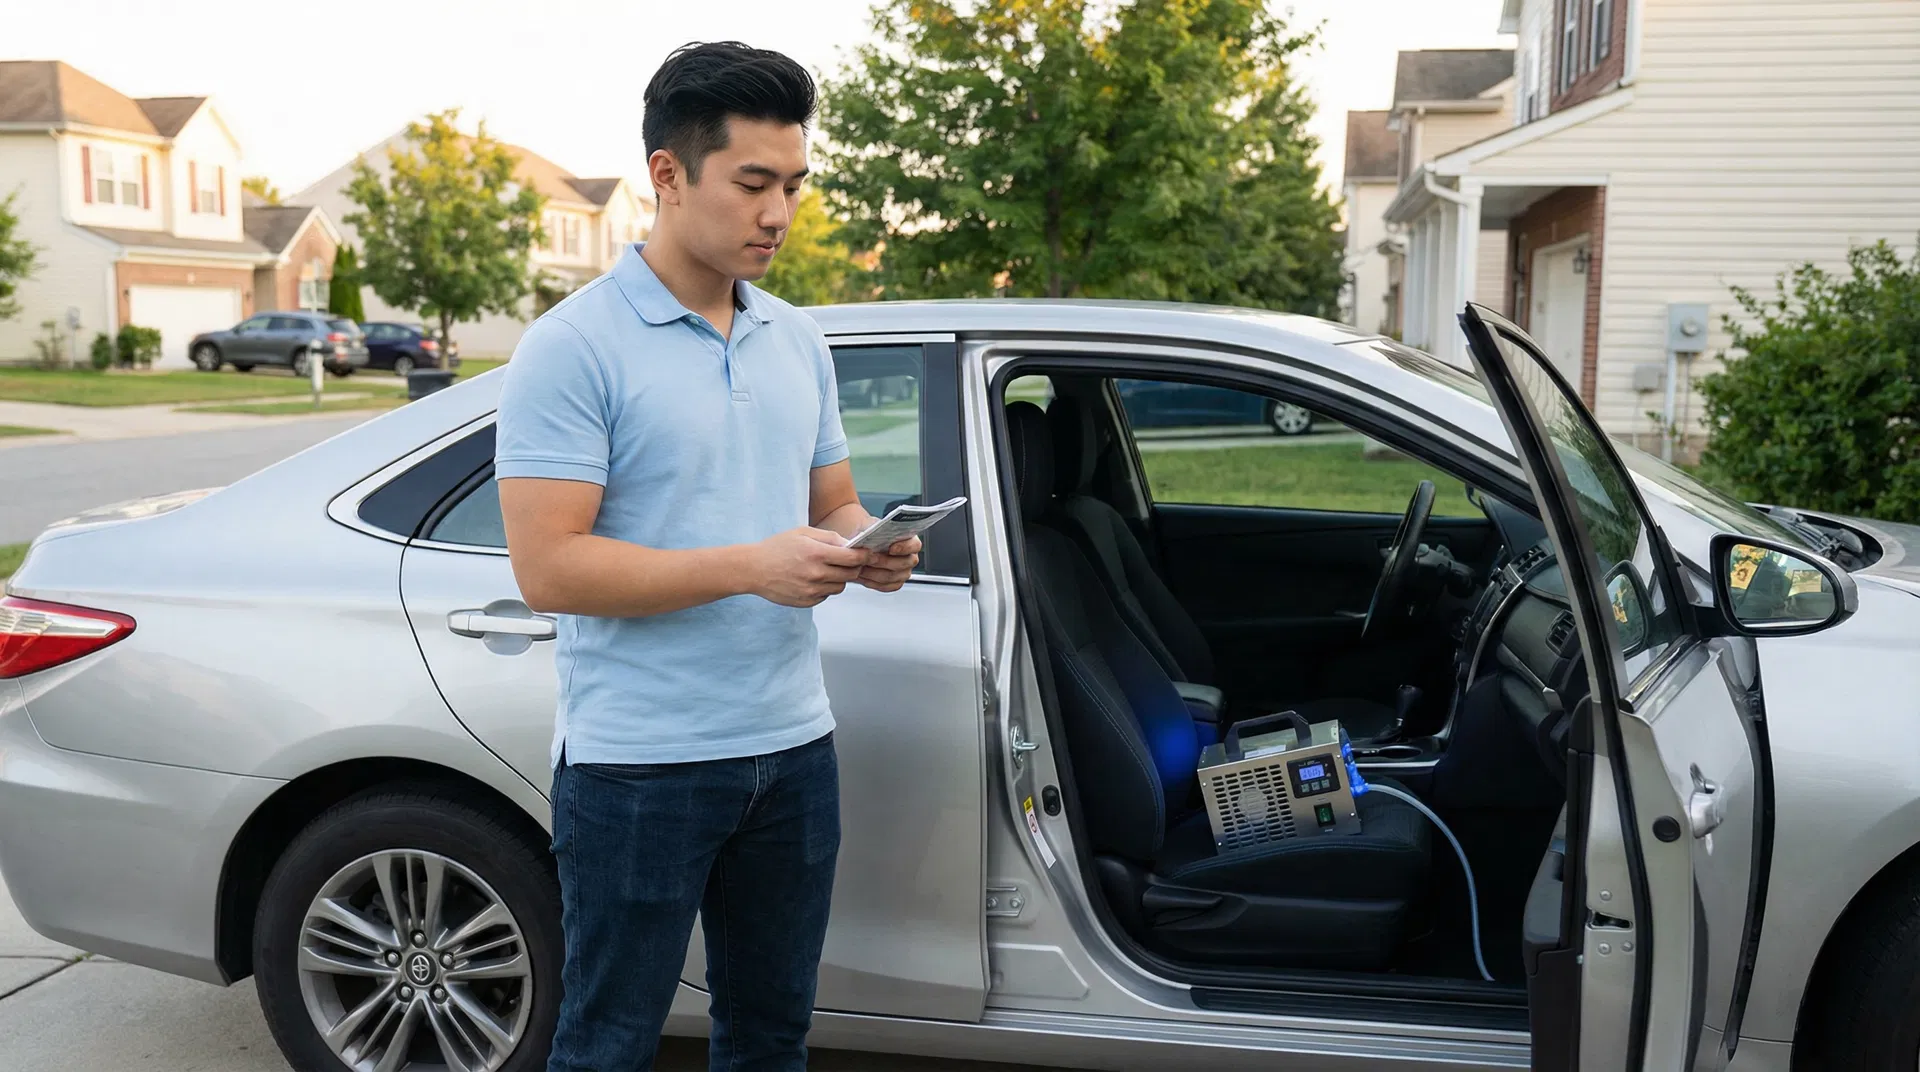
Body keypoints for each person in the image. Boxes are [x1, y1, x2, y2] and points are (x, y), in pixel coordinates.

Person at [493, 40, 920, 1072]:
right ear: (669, 175)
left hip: (793, 748)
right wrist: (749, 566)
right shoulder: (574, 345)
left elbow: (832, 503)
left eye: (795, 184)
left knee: (771, 1038)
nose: (780, 212)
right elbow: (550, 569)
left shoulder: (797, 340)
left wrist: (874, 548)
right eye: (755, 183)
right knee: (607, 1044)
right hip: (640, 766)